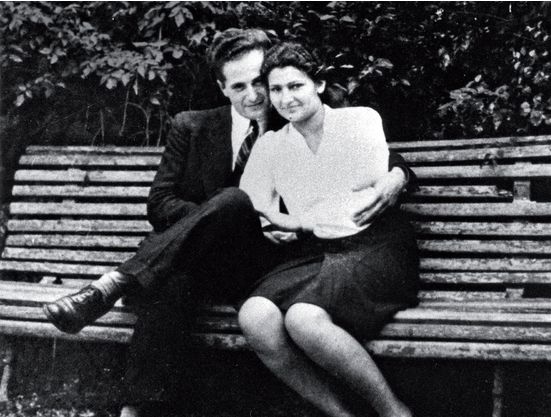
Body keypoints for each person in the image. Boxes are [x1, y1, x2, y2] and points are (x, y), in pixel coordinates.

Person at [42, 30, 414, 417]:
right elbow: (161, 202)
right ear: (222, 88)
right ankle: (137, 410)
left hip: (282, 257)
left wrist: (398, 176)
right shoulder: (194, 126)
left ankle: (114, 283)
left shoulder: (297, 107)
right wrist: (216, 221)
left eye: (260, 82)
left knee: (224, 220)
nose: (256, 95)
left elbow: (373, 154)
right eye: (240, 86)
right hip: (218, 255)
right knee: (190, 258)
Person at [238, 42, 419, 417]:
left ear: (319, 84)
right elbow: (251, 206)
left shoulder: (359, 122)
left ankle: (394, 412)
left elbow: (356, 204)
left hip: (376, 246)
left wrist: (295, 219)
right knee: (255, 316)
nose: (286, 98)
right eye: (276, 89)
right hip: (320, 252)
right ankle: (338, 414)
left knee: (304, 318)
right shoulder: (271, 145)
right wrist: (270, 224)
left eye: (296, 86)